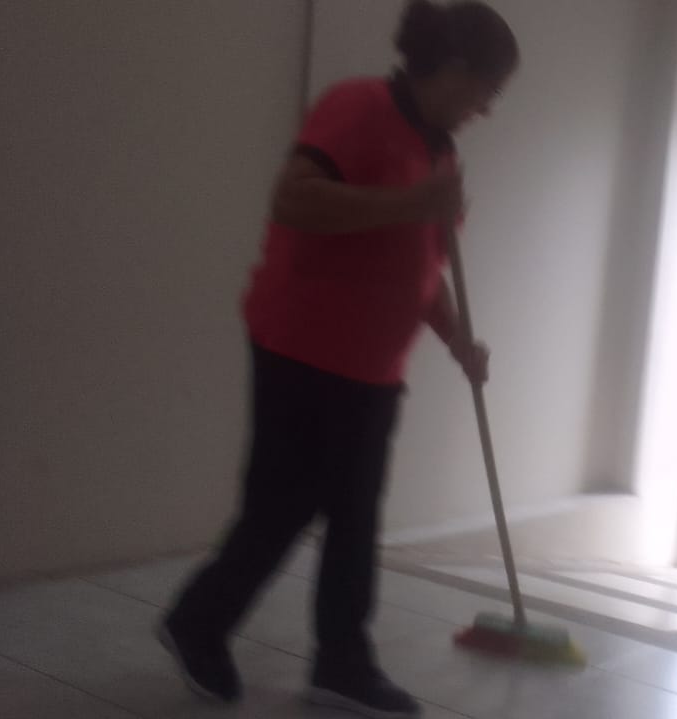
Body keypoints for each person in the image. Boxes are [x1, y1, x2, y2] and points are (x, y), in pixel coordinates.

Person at [156, 2, 517, 716]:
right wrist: (412, 202)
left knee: (354, 517)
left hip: (372, 368)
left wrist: (457, 341)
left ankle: (342, 665)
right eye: (487, 91)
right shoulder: (359, 106)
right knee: (282, 506)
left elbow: (422, 271)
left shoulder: (440, 152)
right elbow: (294, 200)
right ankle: (197, 621)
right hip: (301, 346)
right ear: (454, 70)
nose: (486, 109)